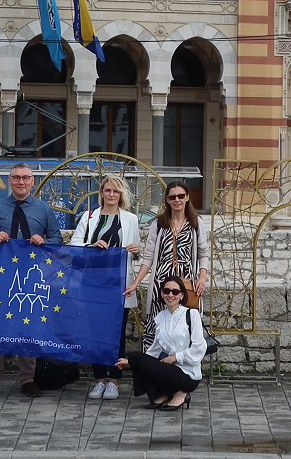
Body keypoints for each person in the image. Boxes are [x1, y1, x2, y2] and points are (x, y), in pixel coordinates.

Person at [0, 162, 67, 396]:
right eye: (16, 178)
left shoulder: (43, 209)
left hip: (32, 276)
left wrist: (44, 241)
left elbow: (57, 239)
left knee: (29, 324)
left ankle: (27, 379)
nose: (21, 182)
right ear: (9, 181)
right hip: (0, 276)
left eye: (25, 178)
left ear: (32, 181)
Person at [67, 174, 141, 399]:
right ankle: (99, 379)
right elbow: (74, 245)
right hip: (93, 283)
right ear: (101, 193)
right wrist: (92, 245)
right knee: (94, 333)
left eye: (116, 191)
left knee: (116, 334)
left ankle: (115, 381)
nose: (111, 195)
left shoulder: (130, 219)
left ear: (121, 195)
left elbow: (136, 251)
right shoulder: (89, 217)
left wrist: (136, 251)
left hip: (119, 285)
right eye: (107, 190)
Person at [133, 178, 208, 348]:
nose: (177, 200)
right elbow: (149, 257)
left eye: (181, 196)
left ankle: (183, 368)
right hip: (161, 281)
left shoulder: (196, 223)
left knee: (186, 324)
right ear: (167, 200)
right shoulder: (159, 224)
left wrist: (202, 278)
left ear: (187, 197)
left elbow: (203, 253)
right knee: (157, 325)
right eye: (172, 197)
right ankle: (153, 366)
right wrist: (136, 283)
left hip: (187, 283)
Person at [115, 275, 207, 412]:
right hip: (169, 370)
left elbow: (200, 348)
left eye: (175, 292)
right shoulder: (160, 317)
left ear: (182, 295)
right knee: (135, 357)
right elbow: (154, 350)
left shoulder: (192, 314)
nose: (170, 295)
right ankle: (167, 393)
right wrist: (131, 362)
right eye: (166, 291)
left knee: (146, 364)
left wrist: (176, 357)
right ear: (162, 293)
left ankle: (180, 394)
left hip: (188, 374)